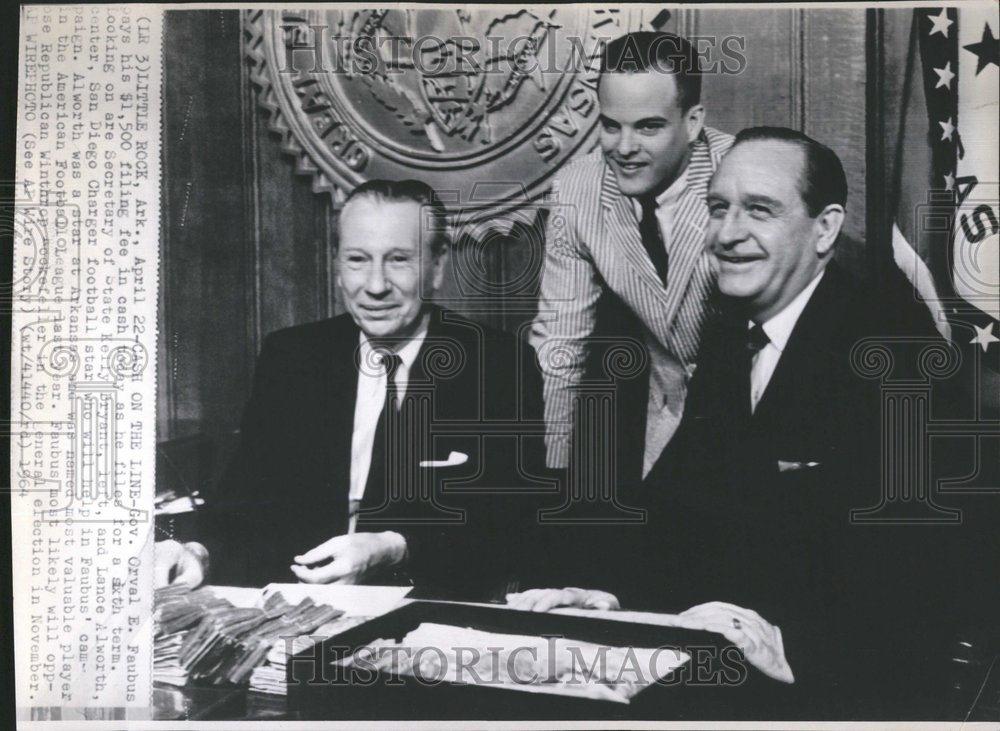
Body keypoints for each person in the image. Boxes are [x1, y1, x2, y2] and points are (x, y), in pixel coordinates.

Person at [511, 128, 977, 717]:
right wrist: (603, 594)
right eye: (717, 208)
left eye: (759, 210)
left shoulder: (895, 351)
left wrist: (785, 645)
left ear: (826, 228)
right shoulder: (733, 332)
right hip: (733, 676)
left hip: (847, 690)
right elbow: (679, 511)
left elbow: (927, 575)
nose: (727, 235)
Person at [156, 179, 546, 597]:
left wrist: (391, 547)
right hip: (296, 607)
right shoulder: (292, 357)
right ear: (338, 266)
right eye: (358, 260)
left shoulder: (499, 365)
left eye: (398, 260)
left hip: (430, 617)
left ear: (436, 266)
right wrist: (196, 553)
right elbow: (243, 501)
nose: (375, 286)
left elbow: (509, 525)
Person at [530, 31, 733, 481]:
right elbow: (560, 343)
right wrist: (549, 472)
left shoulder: (739, 172)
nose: (623, 148)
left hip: (753, 420)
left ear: (694, 121)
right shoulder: (577, 188)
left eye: (648, 126)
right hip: (658, 429)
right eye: (610, 124)